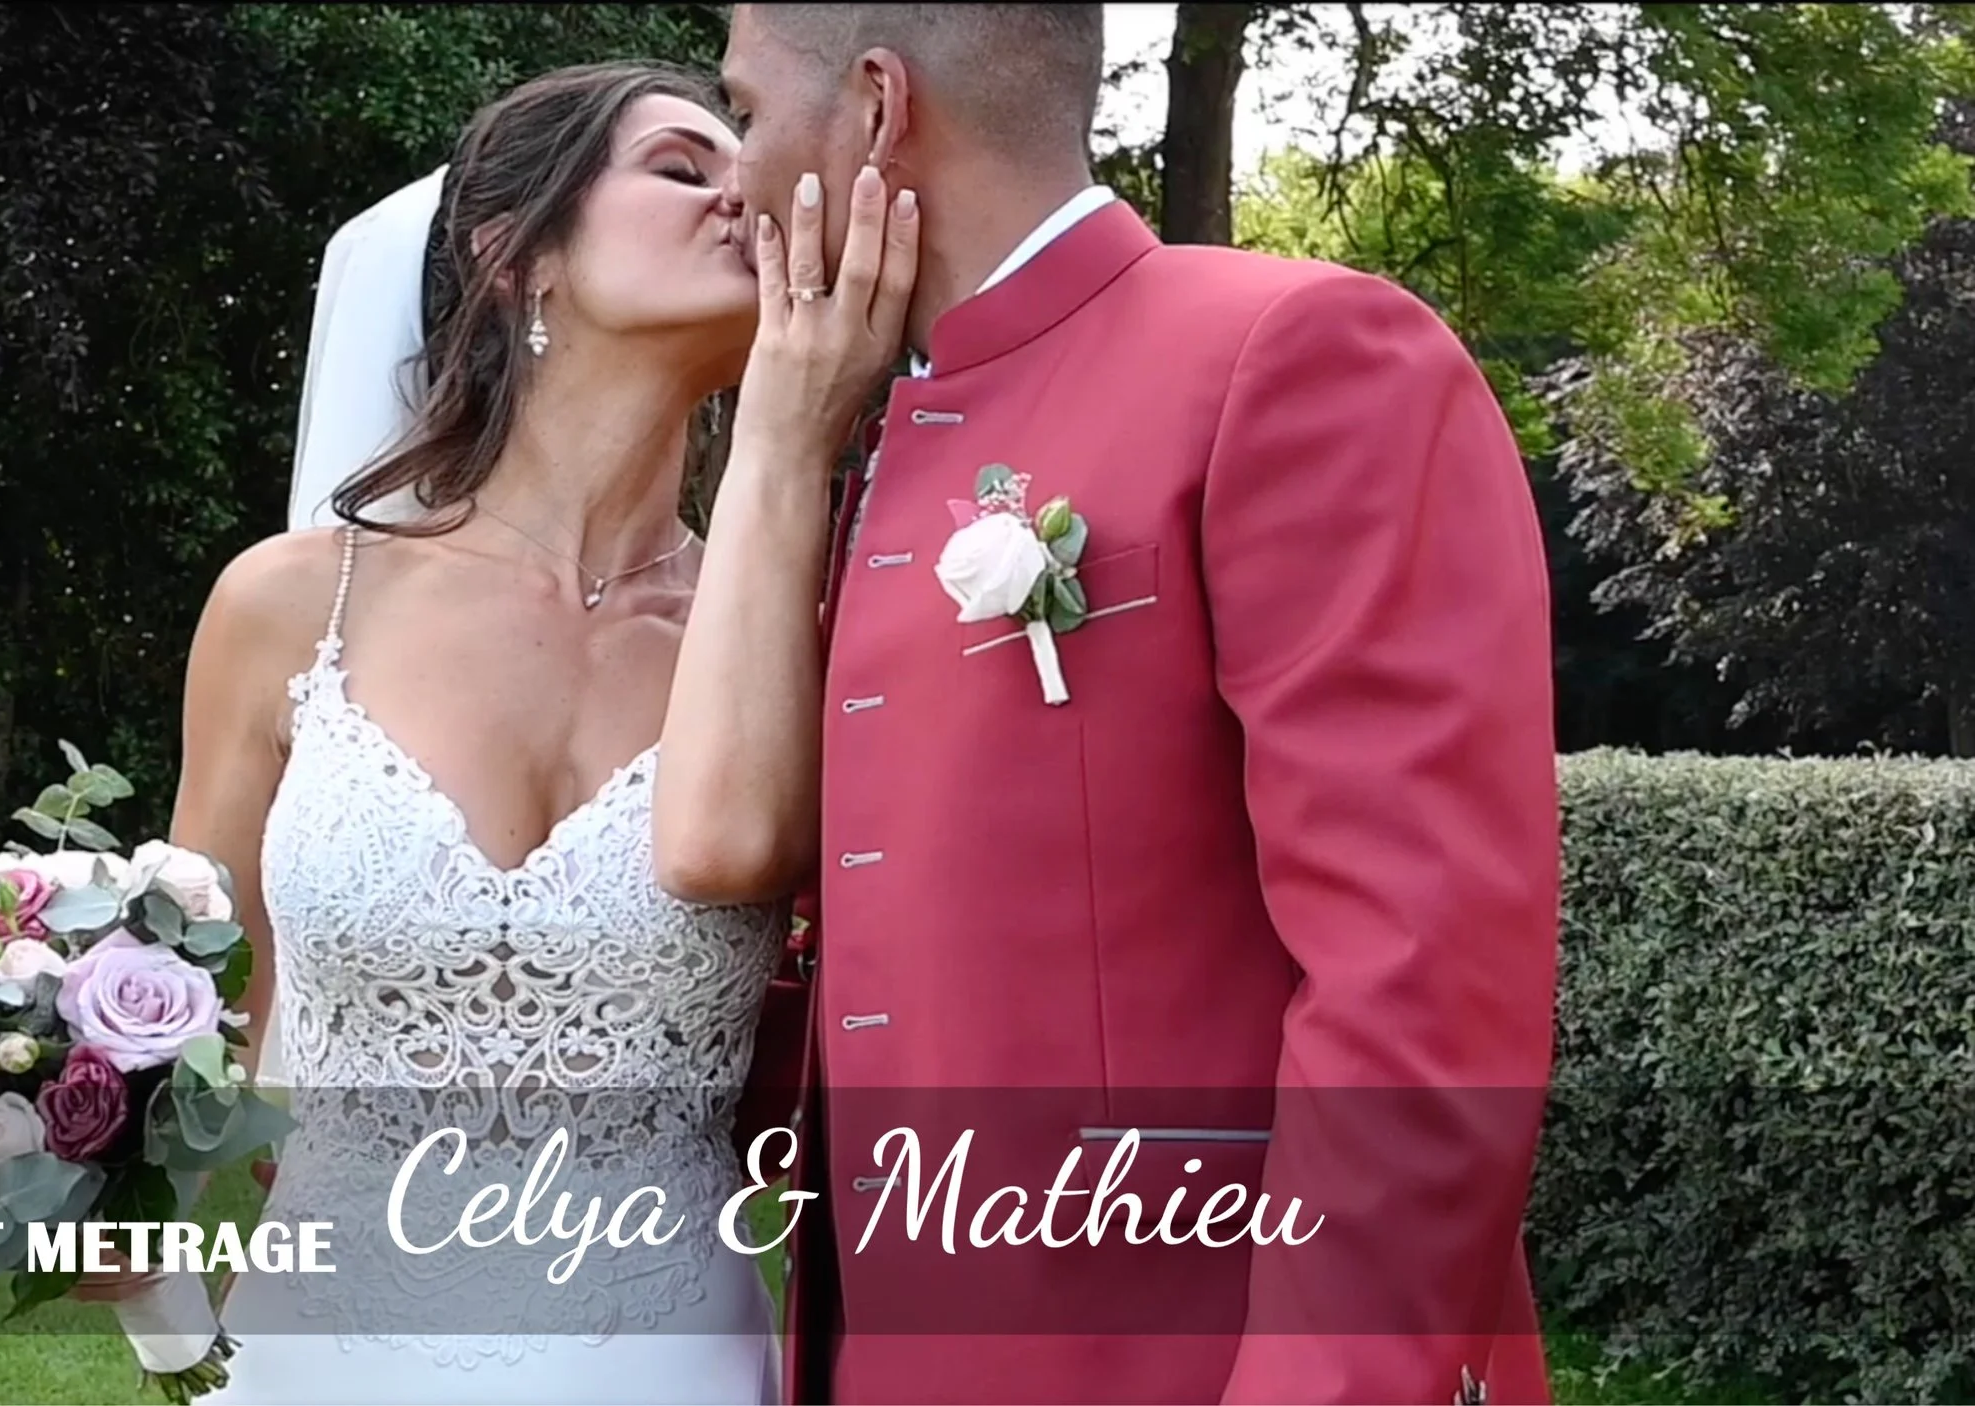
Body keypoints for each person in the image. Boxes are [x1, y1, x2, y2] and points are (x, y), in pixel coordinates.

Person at [654, 5, 1561, 1404]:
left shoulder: (1294, 352)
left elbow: (1421, 979)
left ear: (880, 107)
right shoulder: (883, 440)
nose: (735, 182)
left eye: (752, 116)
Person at [76, 58, 917, 1405]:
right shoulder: (292, 605)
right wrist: (177, 1336)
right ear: (517, 254)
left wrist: (792, 434)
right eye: (680, 168)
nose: (739, 196)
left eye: (739, 165)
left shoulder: (808, 637)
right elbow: (177, 1052)